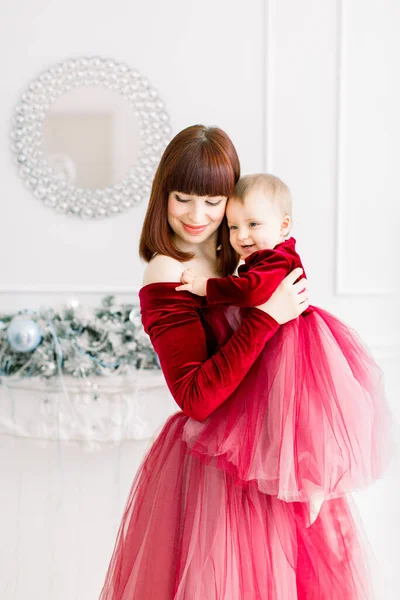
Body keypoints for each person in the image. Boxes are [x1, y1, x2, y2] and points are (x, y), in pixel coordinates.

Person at [99, 126, 374, 600]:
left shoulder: (247, 258)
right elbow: (195, 397)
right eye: (183, 198)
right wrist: (266, 317)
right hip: (216, 471)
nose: (197, 215)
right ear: (162, 197)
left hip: (274, 462)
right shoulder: (169, 271)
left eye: (213, 201)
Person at [177, 173, 393, 526]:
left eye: (252, 224)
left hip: (292, 344)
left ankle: (313, 484)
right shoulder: (264, 256)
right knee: (275, 419)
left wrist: (205, 287)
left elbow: (250, 290)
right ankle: (294, 482)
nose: (241, 235)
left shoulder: (277, 259)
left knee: (299, 419)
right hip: (274, 342)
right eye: (233, 227)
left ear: (283, 225)